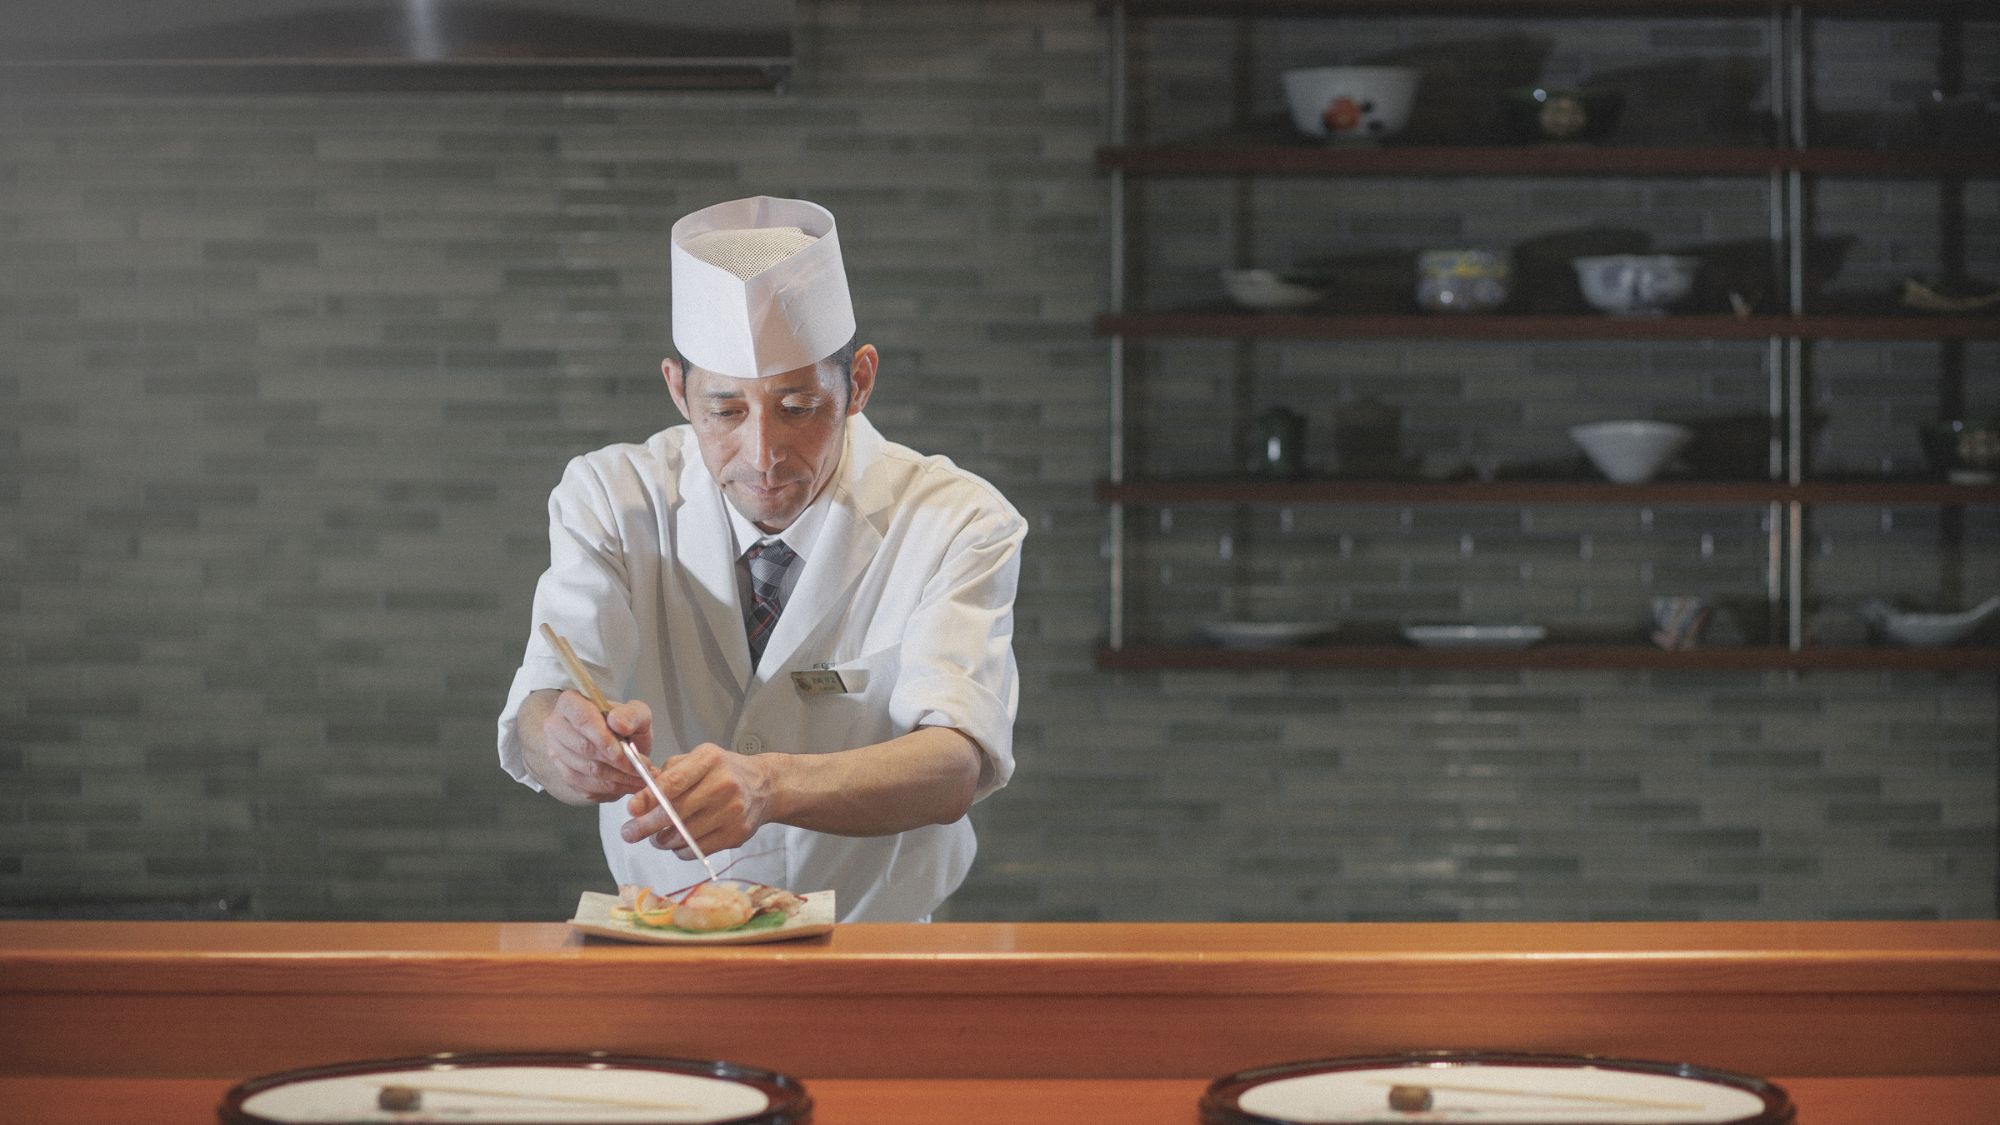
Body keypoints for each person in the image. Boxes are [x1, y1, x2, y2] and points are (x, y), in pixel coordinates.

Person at [496, 196, 1024, 922]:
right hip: (662, 938)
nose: (763, 454)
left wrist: (768, 784)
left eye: (799, 406)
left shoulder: (957, 518)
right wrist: (564, 742)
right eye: (726, 410)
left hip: (874, 949)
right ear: (678, 391)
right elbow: (543, 702)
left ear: (859, 382)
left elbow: (955, 765)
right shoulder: (610, 498)